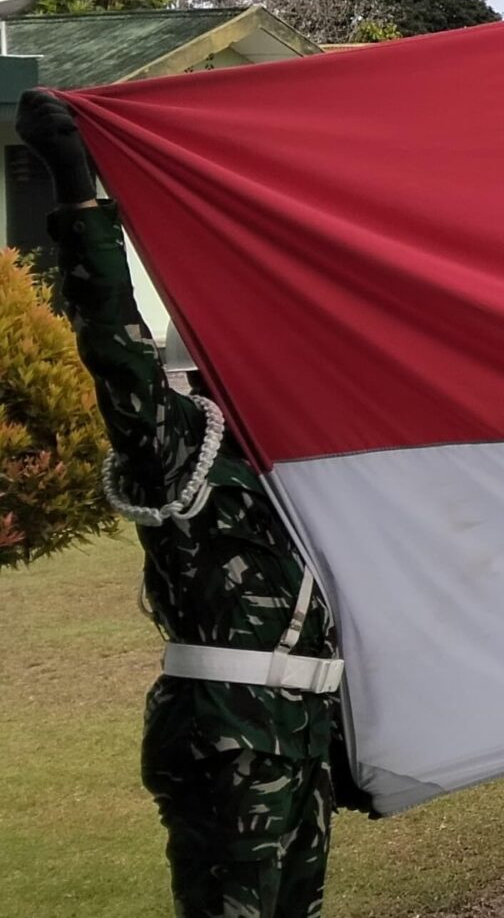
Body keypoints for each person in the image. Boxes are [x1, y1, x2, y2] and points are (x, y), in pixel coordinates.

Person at [14, 90, 347, 918]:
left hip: (297, 727)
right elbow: (114, 346)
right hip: (225, 727)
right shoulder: (176, 446)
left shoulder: (294, 458)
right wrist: (76, 192)